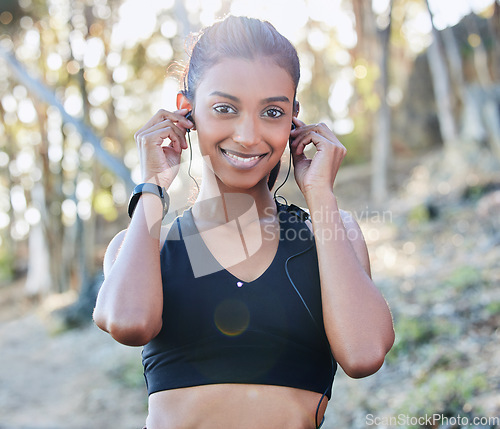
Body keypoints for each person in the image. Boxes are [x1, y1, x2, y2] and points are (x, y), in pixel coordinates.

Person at [93, 15, 395, 429]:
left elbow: (364, 354)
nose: (249, 135)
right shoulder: (151, 246)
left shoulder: (329, 236)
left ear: (293, 120)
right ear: (187, 112)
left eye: (272, 111)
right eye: (224, 108)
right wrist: (152, 186)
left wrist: (320, 195)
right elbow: (129, 323)